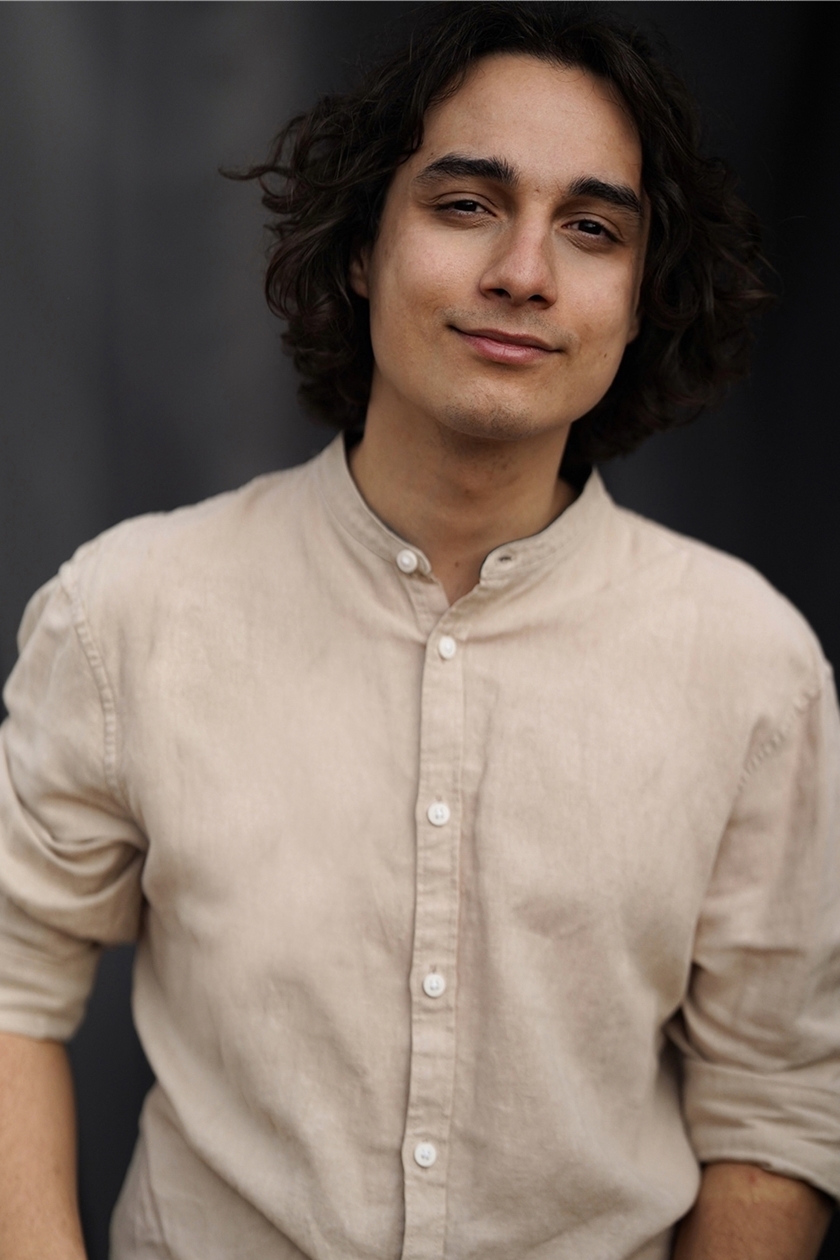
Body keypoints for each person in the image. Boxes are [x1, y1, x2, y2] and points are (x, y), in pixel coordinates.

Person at [0, 2, 837, 1257]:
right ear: (361, 246)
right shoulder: (130, 610)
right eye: (465, 204)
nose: (524, 271)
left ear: (638, 298)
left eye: (592, 228)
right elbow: (9, 983)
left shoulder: (753, 668)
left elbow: (775, 1094)